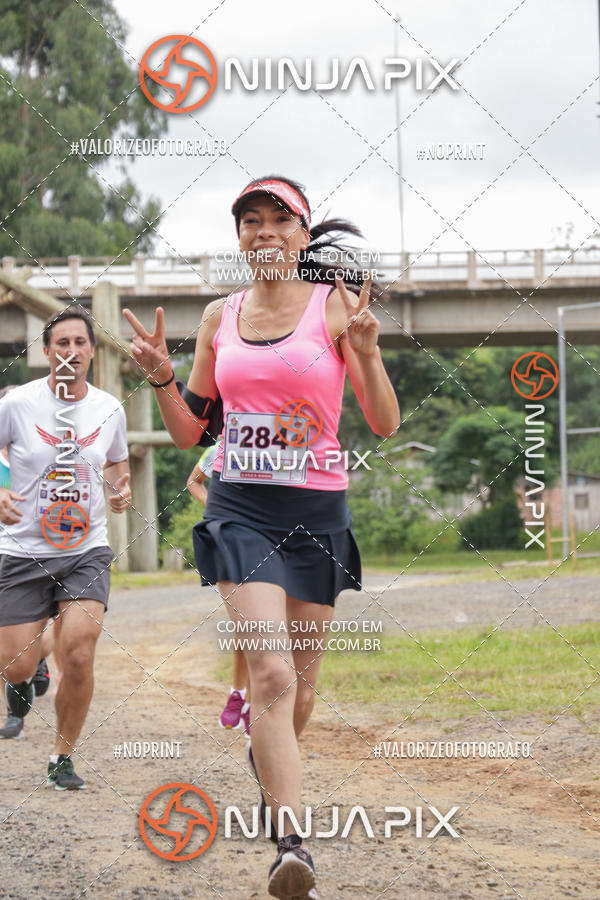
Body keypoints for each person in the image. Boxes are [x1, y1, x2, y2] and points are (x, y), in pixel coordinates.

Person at [124, 175, 399, 900]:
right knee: (271, 677)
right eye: (251, 220)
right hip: (240, 509)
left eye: (281, 219)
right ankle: (291, 847)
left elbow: (383, 424)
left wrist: (366, 352)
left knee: (300, 692)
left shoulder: (336, 306)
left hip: (319, 512)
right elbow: (193, 431)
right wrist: (161, 379)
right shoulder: (221, 315)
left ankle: (268, 759)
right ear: (240, 237)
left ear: (304, 236)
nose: (266, 231)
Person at [0, 306, 131, 788]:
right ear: (46, 351)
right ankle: (22, 682)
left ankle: (61, 756)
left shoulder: (109, 408)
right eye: (62, 344)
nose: (71, 352)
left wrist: (121, 488)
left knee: (78, 650)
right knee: (14, 663)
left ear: (92, 352)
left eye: (80, 343)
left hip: (86, 548)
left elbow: (118, 463)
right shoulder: (16, 404)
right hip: (22, 548)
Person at [187, 440, 251, 734]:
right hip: (240, 542)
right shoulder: (220, 448)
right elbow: (193, 481)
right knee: (248, 626)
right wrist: (217, 510)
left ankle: (260, 703)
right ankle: (238, 695)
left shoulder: (287, 441)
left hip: (285, 536)